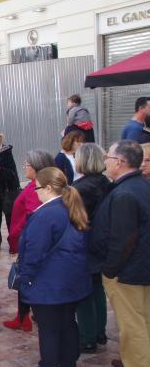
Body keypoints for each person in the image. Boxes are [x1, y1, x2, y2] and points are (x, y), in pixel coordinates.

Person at [20, 167, 91, 367]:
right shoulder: (71, 207)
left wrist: (26, 277)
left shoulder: (45, 214)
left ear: (48, 188)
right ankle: (68, 362)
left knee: (49, 326)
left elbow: (34, 251)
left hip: (50, 280)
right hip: (73, 278)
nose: (35, 192)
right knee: (68, 321)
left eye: (37, 188)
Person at [90, 140, 150, 367]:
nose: (105, 162)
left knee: (132, 323)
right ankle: (138, 360)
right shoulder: (139, 185)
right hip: (139, 267)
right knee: (143, 318)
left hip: (128, 271)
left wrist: (110, 269)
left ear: (120, 162)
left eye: (108, 158)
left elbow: (124, 238)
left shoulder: (125, 193)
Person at [3, 149, 55, 332]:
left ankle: (26, 316)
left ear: (36, 167)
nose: (24, 167)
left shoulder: (37, 188)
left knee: (28, 278)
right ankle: (23, 315)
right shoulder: (36, 185)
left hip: (29, 242)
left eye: (27, 164)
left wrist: (19, 238)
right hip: (25, 239)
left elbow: (33, 217)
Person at [72, 144, 111, 354]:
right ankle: (99, 332)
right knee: (97, 289)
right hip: (101, 242)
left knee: (85, 292)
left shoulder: (79, 188)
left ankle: (87, 337)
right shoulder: (106, 183)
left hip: (84, 243)